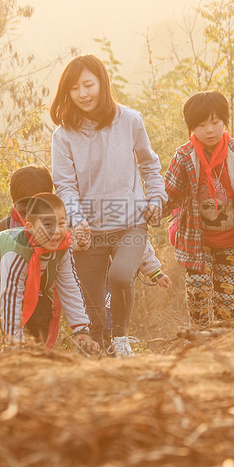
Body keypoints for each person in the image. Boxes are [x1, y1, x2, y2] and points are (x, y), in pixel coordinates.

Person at [50, 54, 167, 357]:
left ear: (103, 83)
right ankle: (100, 350)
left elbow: (149, 165)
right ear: (67, 92)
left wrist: (155, 199)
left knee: (119, 276)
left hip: (130, 220)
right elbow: (64, 185)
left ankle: (122, 339)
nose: (83, 94)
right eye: (74, 88)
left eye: (88, 84)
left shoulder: (130, 120)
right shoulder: (63, 135)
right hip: (88, 228)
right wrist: (76, 220)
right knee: (90, 301)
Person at [164, 91, 234, 327]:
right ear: (191, 127)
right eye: (201, 125)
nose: (210, 130)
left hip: (232, 240)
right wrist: (149, 210)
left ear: (224, 121)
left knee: (224, 302)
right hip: (197, 241)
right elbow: (169, 193)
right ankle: (199, 340)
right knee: (198, 290)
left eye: (215, 122)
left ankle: (224, 343)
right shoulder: (184, 157)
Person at [0, 193, 100, 354]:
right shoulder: (16, 251)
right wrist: (13, 345)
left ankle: (33, 356)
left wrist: (81, 329)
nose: (56, 231)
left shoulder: (63, 247)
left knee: (40, 316)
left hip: (29, 280)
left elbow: (69, 285)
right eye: (48, 225)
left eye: (62, 223)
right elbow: (11, 296)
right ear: (30, 227)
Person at [0, 164, 62, 346]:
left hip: (42, 299)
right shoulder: (2, 229)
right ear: (14, 202)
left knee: (41, 342)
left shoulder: (57, 229)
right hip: (5, 297)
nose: (29, 216)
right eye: (24, 210)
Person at [105, 241, 172, 332]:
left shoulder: (132, 229)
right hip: (94, 272)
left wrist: (155, 273)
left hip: (119, 275)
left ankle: (110, 334)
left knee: (111, 303)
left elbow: (140, 243)